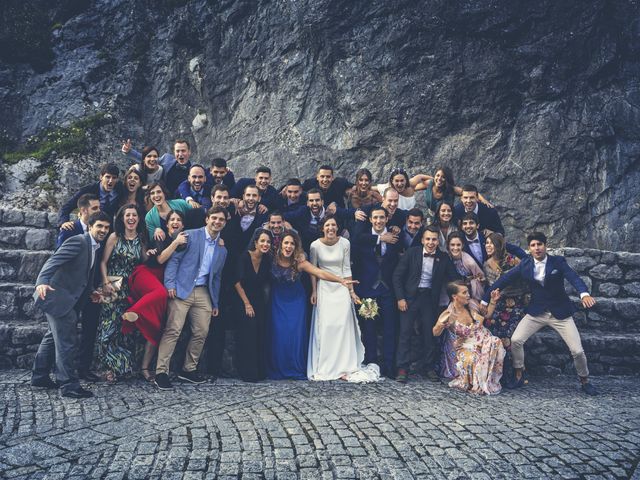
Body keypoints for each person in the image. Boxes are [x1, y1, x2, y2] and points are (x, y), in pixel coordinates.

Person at [481, 232, 599, 395]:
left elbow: (573, 277)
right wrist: (485, 300)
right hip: (537, 312)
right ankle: (518, 373)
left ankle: (584, 380)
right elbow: (503, 280)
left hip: (560, 313)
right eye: (533, 245)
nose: (537, 248)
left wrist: (584, 294)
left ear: (545, 246)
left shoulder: (558, 262)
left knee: (577, 350)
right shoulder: (525, 265)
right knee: (516, 340)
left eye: (539, 244)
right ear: (529, 248)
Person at [31, 211, 111, 398]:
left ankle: (40, 376)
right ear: (90, 226)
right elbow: (53, 261)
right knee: (67, 342)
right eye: (99, 226)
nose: (103, 230)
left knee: (52, 338)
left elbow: (86, 273)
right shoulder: (79, 241)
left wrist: (92, 291)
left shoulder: (94, 246)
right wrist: (41, 282)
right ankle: (68, 385)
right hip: (56, 297)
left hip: (67, 299)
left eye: (106, 227)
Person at [154, 207, 228, 390]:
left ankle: (188, 369)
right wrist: (170, 284)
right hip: (181, 288)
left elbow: (216, 277)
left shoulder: (222, 249)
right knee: (173, 330)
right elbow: (174, 261)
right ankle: (161, 372)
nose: (217, 222)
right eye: (214, 218)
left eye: (221, 220)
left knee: (201, 331)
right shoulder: (189, 236)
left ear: (225, 223)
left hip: (204, 292)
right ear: (207, 219)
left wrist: (215, 301)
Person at [269, 231, 354, 380]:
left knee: (295, 335)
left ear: (296, 247)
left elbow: (320, 273)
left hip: (296, 302)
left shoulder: (300, 263)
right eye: (286, 243)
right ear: (280, 244)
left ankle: (295, 368)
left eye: (292, 244)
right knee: (279, 334)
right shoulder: (271, 259)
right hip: (277, 301)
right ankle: (278, 368)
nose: (289, 246)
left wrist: (341, 280)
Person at [122, 210, 188, 382]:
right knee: (160, 293)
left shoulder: (186, 241)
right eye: (172, 219)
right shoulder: (161, 237)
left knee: (156, 327)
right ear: (166, 225)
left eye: (179, 220)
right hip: (147, 275)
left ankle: (145, 368)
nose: (175, 222)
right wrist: (175, 243)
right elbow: (159, 260)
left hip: (163, 283)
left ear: (183, 225)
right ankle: (132, 312)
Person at [393, 226, 461, 383]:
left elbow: (454, 278)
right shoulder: (412, 253)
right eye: (428, 239)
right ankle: (402, 368)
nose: (431, 242)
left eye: (434, 239)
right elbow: (397, 276)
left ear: (438, 241)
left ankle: (429, 367)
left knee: (430, 334)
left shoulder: (443, 258)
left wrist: (466, 285)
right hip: (410, 298)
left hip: (429, 299)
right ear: (423, 240)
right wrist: (400, 298)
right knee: (405, 333)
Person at [308, 217, 365, 381]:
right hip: (324, 288)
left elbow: (346, 268)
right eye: (327, 225)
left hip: (342, 288)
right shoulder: (315, 245)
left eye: (333, 224)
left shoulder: (345, 243)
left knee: (343, 326)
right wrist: (314, 291)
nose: (331, 228)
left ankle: (344, 366)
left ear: (337, 227)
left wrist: (351, 292)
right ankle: (326, 365)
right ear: (322, 228)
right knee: (327, 327)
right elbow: (313, 270)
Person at [96, 204, 148, 383]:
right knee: (108, 328)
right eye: (128, 215)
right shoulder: (114, 237)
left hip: (131, 290)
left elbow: (145, 262)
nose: (131, 218)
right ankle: (106, 368)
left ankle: (122, 367)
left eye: (134, 215)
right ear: (122, 218)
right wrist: (104, 282)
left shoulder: (141, 239)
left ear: (139, 218)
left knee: (125, 329)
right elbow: (103, 261)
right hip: (113, 286)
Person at [55, 193, 102, 381]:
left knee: (90, 329)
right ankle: (61, 374)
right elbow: (60, 258)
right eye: (95, 208)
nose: (99, 211)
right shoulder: (69, 229)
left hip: (91, 287)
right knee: (63, 333)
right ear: (83, 210)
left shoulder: (100, 230)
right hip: (71, 289)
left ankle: (84, 368)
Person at [351, 207, 401, 378]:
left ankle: (389, 365)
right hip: (368, 291)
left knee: (389, 328)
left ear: (387, 219)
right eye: (375, 218)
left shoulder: (396, 238)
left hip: (388, 292)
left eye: (382, 217)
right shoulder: (363, 239)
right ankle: (372, 362)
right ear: (371, 220)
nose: (379, 221)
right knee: (369, 328)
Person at [433, 281, 505, 395]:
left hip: (483, 339)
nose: (468, 295)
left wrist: (492, 301)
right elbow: (435, 332)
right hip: (466, 345)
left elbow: (487, 315)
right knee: (473, 358)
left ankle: (490, 380)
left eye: (468, 292)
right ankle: (479, 383)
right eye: (464, 292)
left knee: (495, 341)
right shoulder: (449, 314)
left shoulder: (471, 306)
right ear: (454, 296)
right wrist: (440, 326)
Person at [483, 232, 530, 385]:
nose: (488, 246)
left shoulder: (511, 260)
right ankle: (497, 374)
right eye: (487, 243)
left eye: (492, 243)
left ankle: (515, 374)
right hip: (498, 304)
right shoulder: (486, 264)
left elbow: (525, 274)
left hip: (515, 304)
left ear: (499, 246)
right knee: (495, 336)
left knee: (509, 338)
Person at [438, 231, 486, 379]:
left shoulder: (469, 261)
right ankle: (449, 365)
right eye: (452, 245)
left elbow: (481, 277)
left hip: (466, 294)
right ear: (448, 246)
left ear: (462, 245)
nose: (455, 247)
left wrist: (471, 288)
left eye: (458, 245)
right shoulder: (445, 258)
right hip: (450, 294)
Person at [233, 228, 273, 382]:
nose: (265, 244)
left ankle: (260, 371)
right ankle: (248, 373)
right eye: (262, 241)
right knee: (248, 333)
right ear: (256, 242)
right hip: (242, 298)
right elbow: (237, 282)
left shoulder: (267, 259)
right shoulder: (244, 257)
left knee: (260, 332)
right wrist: (247, 304)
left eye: (268, 242)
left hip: (258, 299)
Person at [283, 188, 352, 254]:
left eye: (317, 200)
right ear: (307, 203)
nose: (314, 203)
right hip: (309, 249)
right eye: (311, 200)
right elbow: (283, 216)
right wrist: (284, 222)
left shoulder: (331, 211)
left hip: (330, 248)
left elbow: (347, 213)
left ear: (322, 201)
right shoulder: (302, 211)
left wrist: (355, 213)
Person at [413, 167, 492, 223]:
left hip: (448, 217)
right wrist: (420, 176)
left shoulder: (451, 189)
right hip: (432, 215)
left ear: (447, 180)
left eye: (443, 177)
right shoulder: (429, 184)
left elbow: (470, 192)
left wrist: (483, 200)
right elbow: (413, 187)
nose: (439, 178)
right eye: (437, 175)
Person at [58, 163, 124, 227]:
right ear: (101, 177)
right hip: (89, 228)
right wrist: (64, 222)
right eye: (108, 177)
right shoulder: (88, 190)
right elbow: (66, 207)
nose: (110, 181)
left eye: (114, 178)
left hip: (108, 228)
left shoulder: (119, 188)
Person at [122, 138, 193, 196]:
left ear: (189, 152)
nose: (180, 154)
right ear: (174, 152)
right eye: (178, 151)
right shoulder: (167, 159)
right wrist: (129, 152)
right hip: (162, 199)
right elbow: (149, 160)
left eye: (183, 151)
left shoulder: (195, 169)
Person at [460, 212, 525, 268]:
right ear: (462, 227)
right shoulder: (459, 243)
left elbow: (510, 248)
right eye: (465, 223)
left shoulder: (487, 237)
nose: (468, 226)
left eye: (471, 223)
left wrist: (528, 259)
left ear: (478, 226)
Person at [225, 184, 269, 256]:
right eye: (248, 195)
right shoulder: (233, 207)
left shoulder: (263, 214)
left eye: (254, 195)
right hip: (228, 254)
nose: (251, 198)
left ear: (259, 198)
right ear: (243, 197)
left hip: (249, 257)